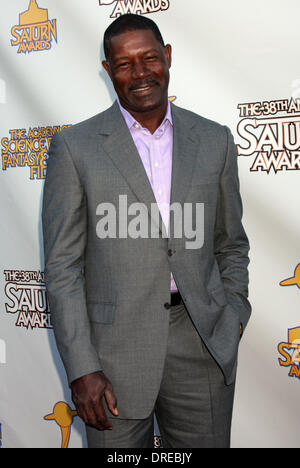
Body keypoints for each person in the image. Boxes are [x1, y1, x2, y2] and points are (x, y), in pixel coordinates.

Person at [42, 13, 251, 448]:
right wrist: (82, 368)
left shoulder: (215, 140)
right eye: (124, 64)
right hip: (110, 357)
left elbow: (230, 243)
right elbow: (63, 267)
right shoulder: (75, 148)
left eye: (149, 58)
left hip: (202, 345)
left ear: (167, 57)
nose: (139, 73)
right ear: (108, 71)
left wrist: (232, 315)